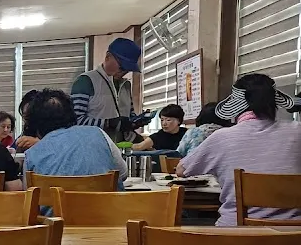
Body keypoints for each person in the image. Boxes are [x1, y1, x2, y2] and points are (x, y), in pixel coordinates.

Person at [177, 73, 301, 226]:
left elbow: (181, 170)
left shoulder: (222, 137)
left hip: (235, 236)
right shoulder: (297, 131)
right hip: (293, 236)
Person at [23, 89, 127, 189]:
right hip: (107, 206)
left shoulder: (31, 155)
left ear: (34, 125)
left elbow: (28, 194)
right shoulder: (99, 134)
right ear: (72, 114)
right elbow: (123, 173)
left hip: (57, 207)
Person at [70, 37, 152, 143]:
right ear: (108, 57)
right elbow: (76, 121)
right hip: (94, 146)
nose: (124, 72)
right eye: (122, 67)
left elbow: (128, 117)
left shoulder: (126, 85)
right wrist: (108, 123)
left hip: (121, 147)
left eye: (128, 69)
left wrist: (135, 122)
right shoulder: (86, 81)